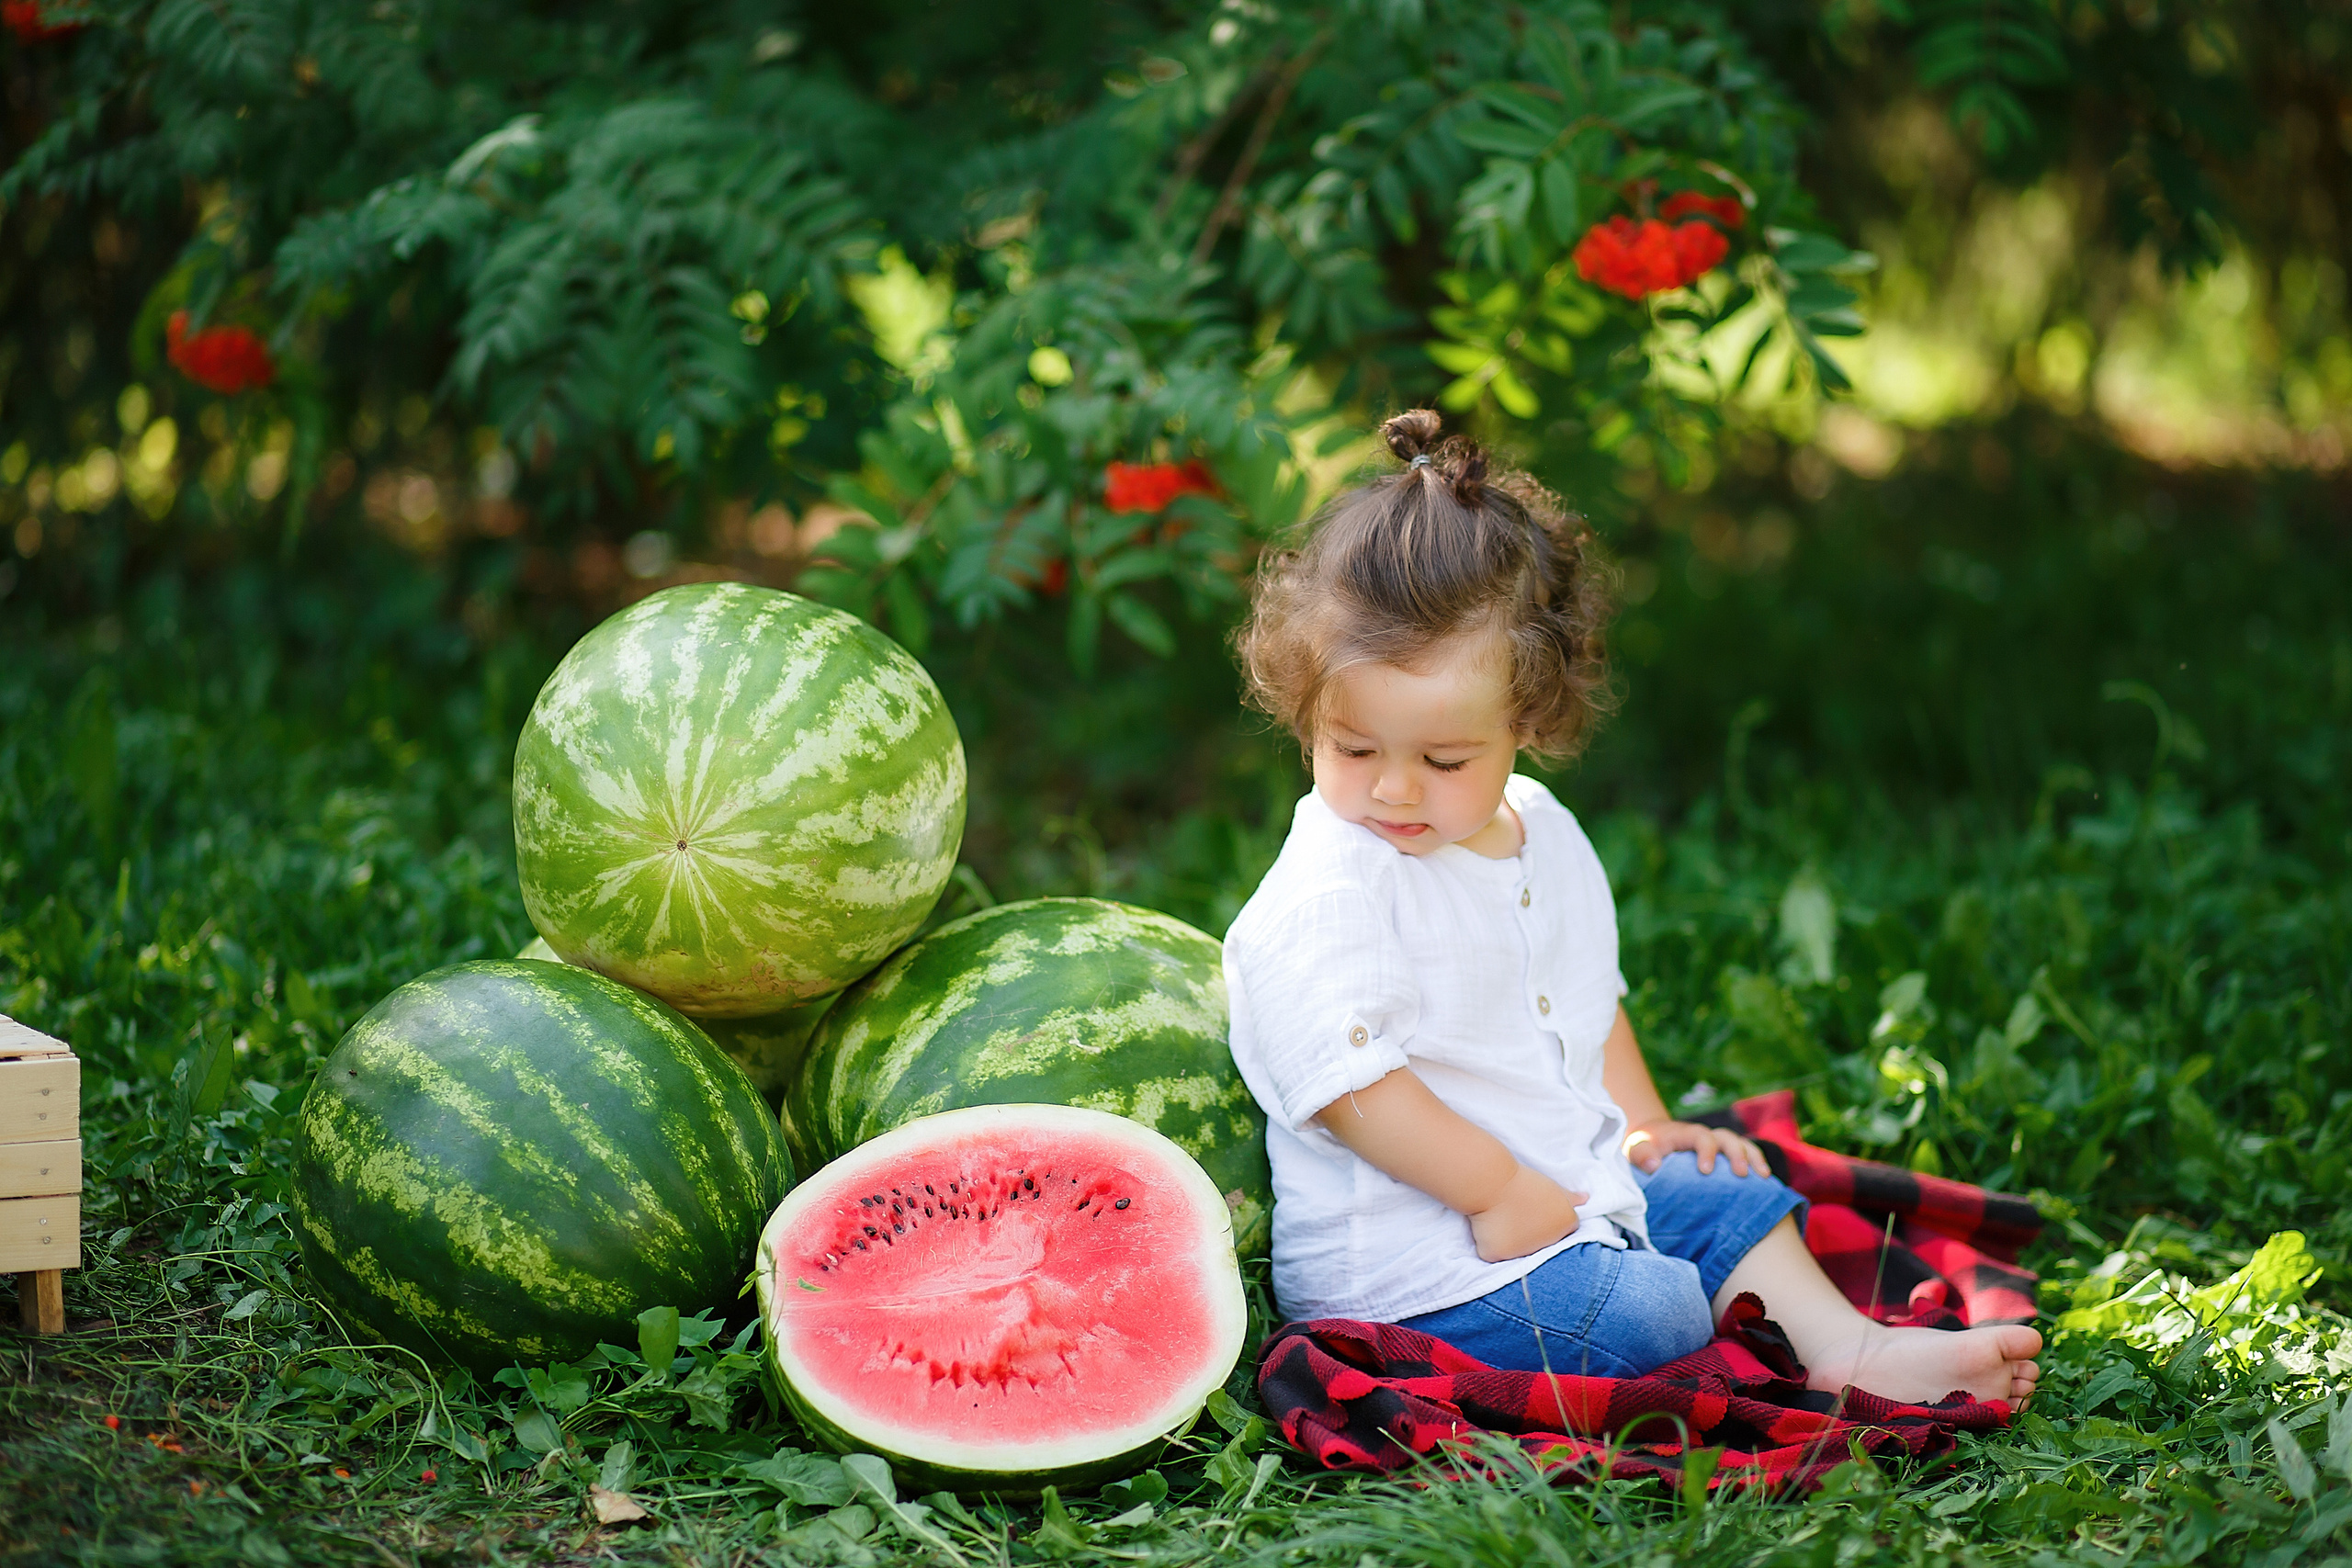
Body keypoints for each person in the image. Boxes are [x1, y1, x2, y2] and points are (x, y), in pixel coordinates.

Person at [1221, 410, 2041, 1405]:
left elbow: (1583, 1001)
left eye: (1443, 761)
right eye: (1353, 750)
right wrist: (1497, 1190)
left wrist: (1646, 1127)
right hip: (1416, 1274)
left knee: (1721, 1189)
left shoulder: (1542, 830)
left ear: (1525, 718)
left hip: (1559, 1192)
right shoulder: (1333, 886)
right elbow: (1350, 1091)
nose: (1392, 791)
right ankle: (1710, 1318)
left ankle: (1843, 1346)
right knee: (1652, 1315)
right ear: (1309, 711)